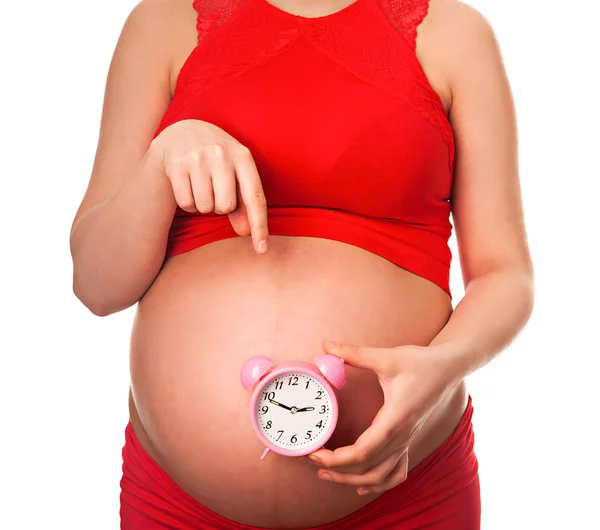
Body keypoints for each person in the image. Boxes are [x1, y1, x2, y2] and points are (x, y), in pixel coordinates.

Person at [69, 0, 534, 527]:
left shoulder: (455, 34)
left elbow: (506, 274)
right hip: (180, 504)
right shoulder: (162, 22)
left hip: (405, 497)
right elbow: (95, 285)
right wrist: (162, 160)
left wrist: (443, 366)